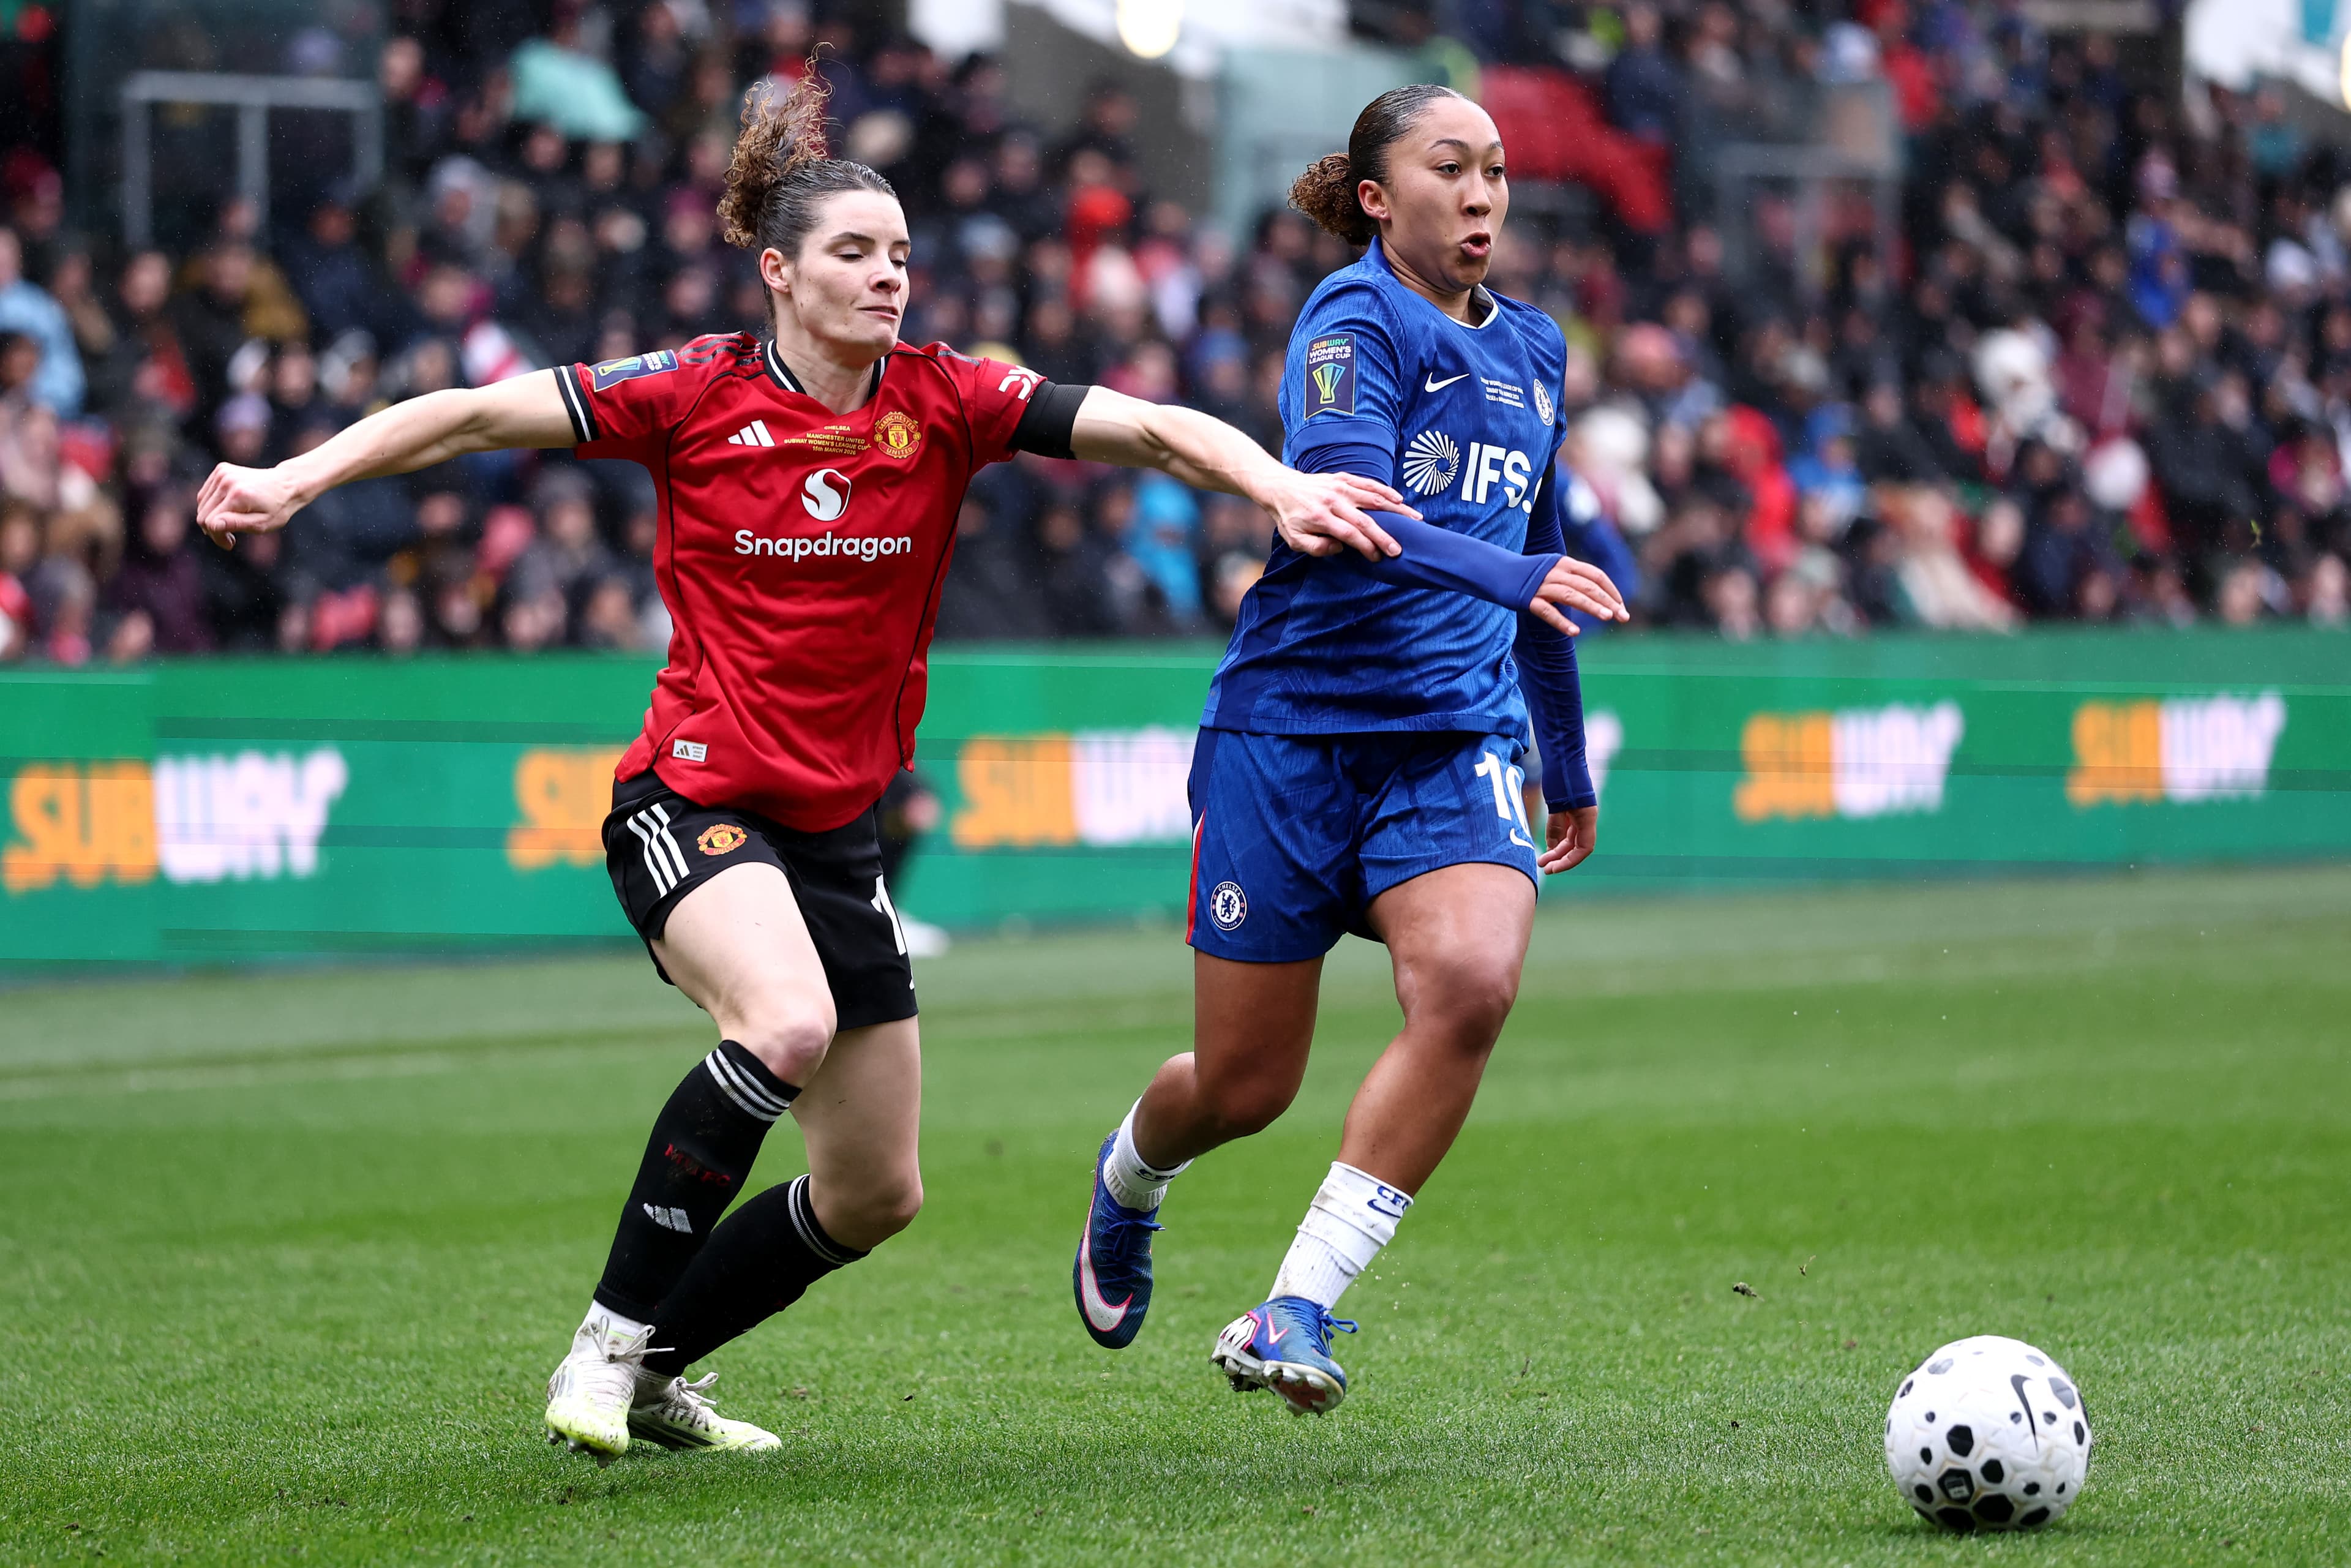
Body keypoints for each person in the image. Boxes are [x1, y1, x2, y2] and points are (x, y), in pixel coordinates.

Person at [193, 69, 1419, 1463]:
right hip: (690, 796)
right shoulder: (691, 391)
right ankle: (603, 1348)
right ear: (778, 271)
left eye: (900, 253)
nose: (889, 276)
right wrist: (295, 478)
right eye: (854, 252)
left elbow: (1144, 425)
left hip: (836, 833)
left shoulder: (946, 399)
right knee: (783, 1025)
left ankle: (659, 1371)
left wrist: (1276, 484)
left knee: (875, 1190)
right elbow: (473, 414)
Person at [1071, 83, 1629, 1414]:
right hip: (1290, 734)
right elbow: (1351, 513)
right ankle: (1131, 1176)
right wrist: (1516, 576)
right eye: (1451, 168)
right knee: (1245, 1086)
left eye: (1496, 170)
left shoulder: (1536, 348)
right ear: (1378, 198)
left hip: (1451, 737)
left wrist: (1563, 757)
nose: (1483, 194)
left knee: (1473, 984)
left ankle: (1297, 1305)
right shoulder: (1352, 319)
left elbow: (1538, 561)